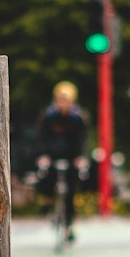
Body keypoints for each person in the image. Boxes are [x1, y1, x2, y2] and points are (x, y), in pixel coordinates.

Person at [36, 81, 88, 240]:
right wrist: (43, 156)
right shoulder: (48, 117)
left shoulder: (78, 118)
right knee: (44, 177)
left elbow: (82, 140)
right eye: (60, 100)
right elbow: (41, 138)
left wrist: (81, 158)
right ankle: (47, 203)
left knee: (71, 191)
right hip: (52, 156)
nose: (63, 103)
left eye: (66, 100)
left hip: (71, 158)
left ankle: (69, 224)